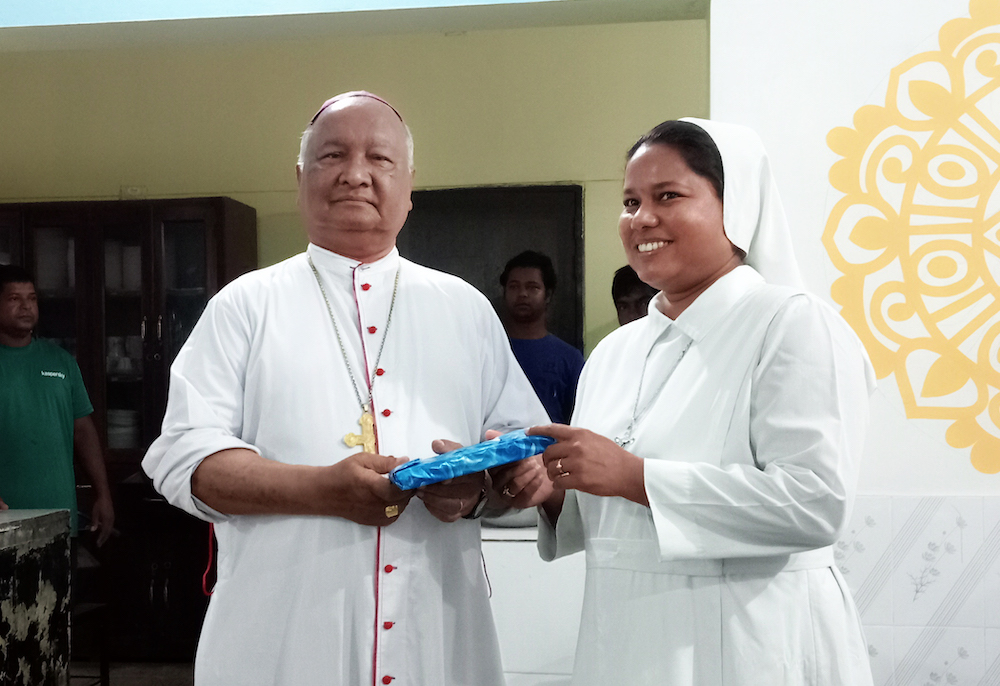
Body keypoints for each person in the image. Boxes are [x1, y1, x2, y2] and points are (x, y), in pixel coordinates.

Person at [142, 91, 551, 686]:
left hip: (434, 633)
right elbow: (183, 460)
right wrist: (319, 489)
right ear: (300, 178)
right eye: (333, 155)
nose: (355, 174)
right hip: (282, 641)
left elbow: (523, 450)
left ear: (409, 185)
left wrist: (481, 492)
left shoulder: (464, 309)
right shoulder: (245, 306)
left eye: (379, 159)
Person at [526, 119, 876, 685]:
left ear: (733, 207)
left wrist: (635, 477)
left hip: (753, 640)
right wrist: (551, 490)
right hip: (627, 642)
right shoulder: (615, 353)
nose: (641, 219)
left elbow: (816, 502)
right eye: (630, 201)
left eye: (668, 196)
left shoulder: (791, 324)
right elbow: (611, 524)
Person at [0, 264, 115, 544]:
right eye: (15, 299)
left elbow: (83, 432)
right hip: (5, 524)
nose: (26, 307)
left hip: (59, 521)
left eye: (32, 298)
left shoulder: (61, 361)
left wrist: (103, 493)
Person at [500, 250, 584, 423]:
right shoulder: (489, 352)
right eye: (514, 286)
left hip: (552, 449)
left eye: (532, 287)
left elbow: (580, 421)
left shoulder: (570, 359)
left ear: (548, 295)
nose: (522, 294)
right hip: (493, 446)